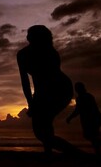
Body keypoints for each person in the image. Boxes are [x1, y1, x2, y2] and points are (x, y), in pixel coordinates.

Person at [17, 25, 80, 154]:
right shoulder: (22, 54)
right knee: (42, 127)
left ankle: (75, 154)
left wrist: (34, 103)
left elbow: (45, 81)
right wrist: (31, 102)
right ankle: (51, 152)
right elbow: (25, 81)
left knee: (42, 128)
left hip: (60, 89)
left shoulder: (51, 53)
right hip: (44, 90)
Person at [66, 82, 101, 155]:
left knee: (91, 136)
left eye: (77, 88)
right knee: (93, 137)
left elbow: (78, 110)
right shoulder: (88, 96)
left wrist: (70, 118)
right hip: (93, 119)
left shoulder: (82, 98)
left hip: (89, 120)